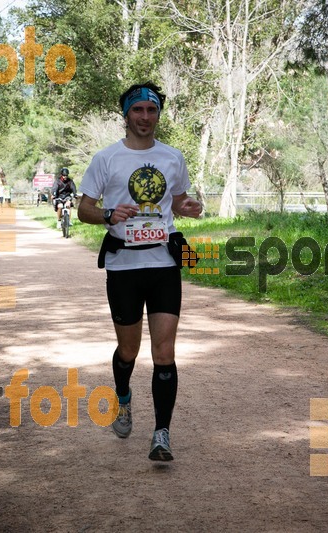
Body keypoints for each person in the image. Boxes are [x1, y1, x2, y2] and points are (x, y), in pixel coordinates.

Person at [77, 82, 202, 461]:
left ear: (157, 114)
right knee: (129, 350)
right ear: (127, 115)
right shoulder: (106, 159)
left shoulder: (172, 157)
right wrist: (109, 214)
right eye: (138, 111)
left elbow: (177, 200)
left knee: (164, 352)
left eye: (151, 110)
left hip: (164, 263)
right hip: (123, 266)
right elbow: (85, 209)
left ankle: (161, 434)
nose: (145, 118)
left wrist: (189, 207)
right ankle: (124, 397)